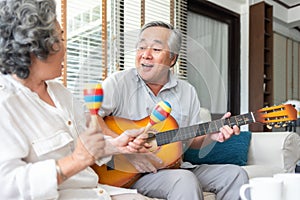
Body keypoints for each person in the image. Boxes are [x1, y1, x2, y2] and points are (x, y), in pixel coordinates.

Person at [0, 0, 159, 199]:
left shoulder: (60, 93)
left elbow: (85, 145)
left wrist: (117, 144)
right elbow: (6, 188)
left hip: (96, 191)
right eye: (61, 38)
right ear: (35, 48)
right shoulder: (5, 104)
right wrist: (77, 160)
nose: (66, 48)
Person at [97, 21, 249, 200]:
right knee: (184, 180)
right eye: (141, 47)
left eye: (155, 49)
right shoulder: (118, 82)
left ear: (173, 58)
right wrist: (125, 149)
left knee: (235, 175)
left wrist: (212, 135)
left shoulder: (187, 91)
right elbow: (89, 119)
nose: (145, 55)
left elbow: (192, 139)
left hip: (172, 166)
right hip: (129, 171)